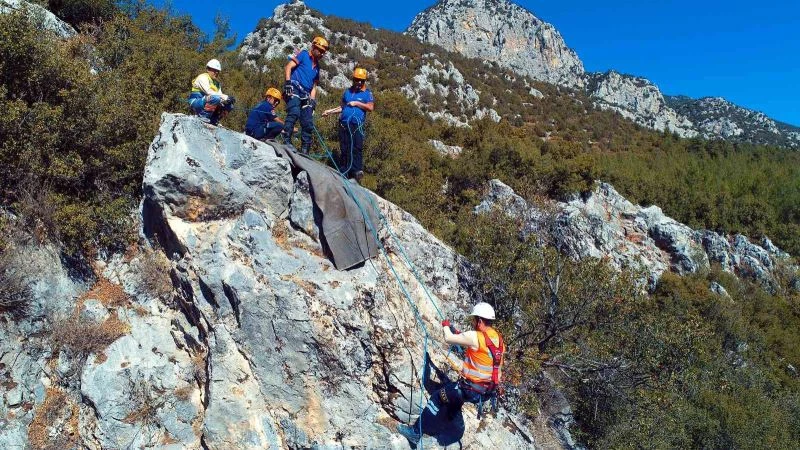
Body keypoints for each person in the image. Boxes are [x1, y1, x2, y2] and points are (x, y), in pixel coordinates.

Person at [396, 302, 505, 448]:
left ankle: (415, 433)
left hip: (470, 389)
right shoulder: (498, 339)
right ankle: (452, 432)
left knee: (438, 397)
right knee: (453, 401)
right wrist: (459, 333)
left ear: (479, 321)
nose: (473, 323)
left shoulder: (475, 336)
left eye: (474, 320)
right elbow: (482, 352)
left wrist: (446, 325)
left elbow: (448, 338)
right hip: (485, 392)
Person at [322, 68, 375, 183]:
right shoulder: (347, 92)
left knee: (356, 147)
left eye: (362, 81)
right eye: (357, 80)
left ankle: (356, 171)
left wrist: (357, 103)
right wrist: (329, 111)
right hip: (344, 124)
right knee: (345, 147)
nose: (360, 83)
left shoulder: (367, 94)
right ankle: (344, 170)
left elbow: (370, 107)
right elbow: (342, 107)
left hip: (357, 125)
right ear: (353, 79)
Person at [282, 36, 328, 153]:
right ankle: (286, 139)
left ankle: (305, 149)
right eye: (320, 50)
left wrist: (312, 101)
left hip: (306, 94)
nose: (322, 54)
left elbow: (314, 87)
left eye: (323, 52)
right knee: (294, 112)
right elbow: (288, 66)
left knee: (307, 122)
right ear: (313, 47)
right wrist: (287, 83)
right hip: (294, 87)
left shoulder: (317, 68)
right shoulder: (303, 55)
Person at [188, 59, 234, 125]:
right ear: (208, 69)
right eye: (214, 70)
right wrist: (225, 97)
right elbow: (209, 91)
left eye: (218, 71)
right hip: (196, 102)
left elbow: (220, 96)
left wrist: (227, 101)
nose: (216, 72)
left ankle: (214, 119)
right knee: (215, 98)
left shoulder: (217, 84)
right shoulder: (202, 77)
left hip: (207, 100)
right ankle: (203, 116)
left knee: (229, 105)